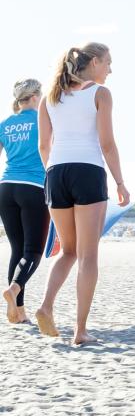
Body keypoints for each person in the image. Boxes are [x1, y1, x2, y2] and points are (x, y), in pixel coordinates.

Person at [35, 43, 130, 345]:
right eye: (108, 63)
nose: (110, 69)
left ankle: (46, 306)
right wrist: (120, 182)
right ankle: (80, 331)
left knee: (68, 251)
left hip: (56, 173)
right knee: (88, 255)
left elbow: (43, 146)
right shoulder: (100, 94)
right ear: (93, 62)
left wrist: (52, 172)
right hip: (88, 171)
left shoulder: (49, 98)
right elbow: (107, 144)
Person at [0, 79, 49, 324]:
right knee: (33, 252)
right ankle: (14, 288)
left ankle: (19, 313)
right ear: (34, 97)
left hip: (6, 188)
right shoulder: (42, 120)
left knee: (17, 251)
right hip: (33, 188)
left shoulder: (5, 124)